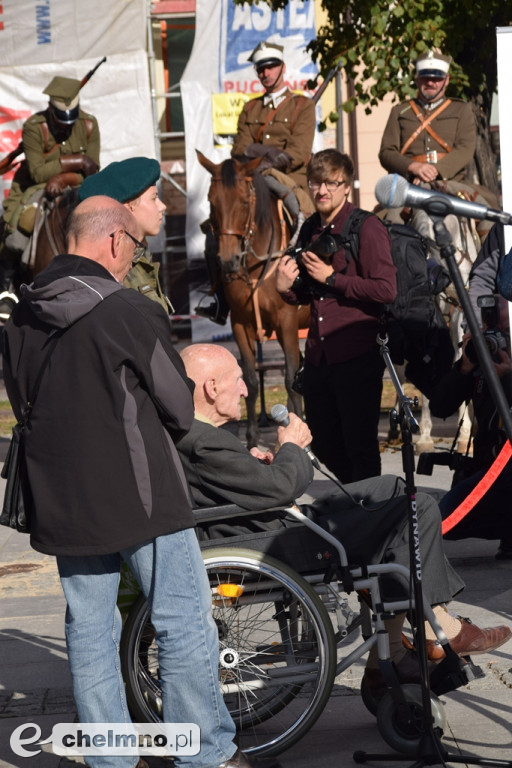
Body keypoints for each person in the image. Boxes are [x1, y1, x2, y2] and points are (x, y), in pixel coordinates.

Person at [2, 196, 253, 768]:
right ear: (115, 241)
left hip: (61, 499)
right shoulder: (127, 310)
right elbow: (179, 407)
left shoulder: (21, 315)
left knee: (89, 630)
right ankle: (206, 754)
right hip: (143, 496)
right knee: (181, 621)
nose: (133, 256)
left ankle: (112, 759)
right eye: (134, 246)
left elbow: (22, 403)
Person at [176, 343, 511, 696]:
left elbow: (246, 484)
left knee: (392, 488)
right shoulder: (203, 442)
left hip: (269, 526)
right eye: (239, 380)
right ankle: (437, 630)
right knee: (417, 507)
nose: (246, 389)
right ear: (212, 388)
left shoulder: (197, 435)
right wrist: (291, 445)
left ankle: (395, 653)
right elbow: (284, 487)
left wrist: (250, 465)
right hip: (275, 542)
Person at [276, 148, 397, 484]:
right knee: (323, 442)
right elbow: (306, 292)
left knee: (360, 446)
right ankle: (355, 500)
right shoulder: (311, 229)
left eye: (331, 183)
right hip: (319, 357)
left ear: (347, 187)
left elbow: (386, 290)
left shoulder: (367, 228)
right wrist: (286, 287)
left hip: (357, 354)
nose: (322, 190)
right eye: (315, 183)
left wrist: (333, 278)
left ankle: (369, 516)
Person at [196, 39, 316, 325]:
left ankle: (318, 290)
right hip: (251, 180)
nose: (266, 73)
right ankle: (221, 299)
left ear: (282, 68)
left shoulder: (303, 105)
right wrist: (269, 153)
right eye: (261, 68)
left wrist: (259, 154)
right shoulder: (251, 109)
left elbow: (297, 155)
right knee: (215, 229)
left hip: (289, 180)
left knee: (308, 222)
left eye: (271, 66)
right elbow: (238, 149)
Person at [0, 76, 100, 309]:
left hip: (77, 185)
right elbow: (36, 172)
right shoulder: (34, 127)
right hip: (34, 188)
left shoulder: (89, 124)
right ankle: (7, 291)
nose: (66, 125)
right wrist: (78, 160)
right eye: (61, 119)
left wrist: (64, 177)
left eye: (70, 119)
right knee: (17, 230)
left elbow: (93, 169)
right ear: (50, 109)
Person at [428, 295, 512, 559]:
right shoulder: (479, 363)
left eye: (503, 334)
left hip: (507, 470)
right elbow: (440, 408)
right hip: (490, 471)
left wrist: (507, 378)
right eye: (490, 331)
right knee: (445, 519)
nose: (494, 340)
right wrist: (465, 366)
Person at [79, 157, 172, 314]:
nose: (162, 206)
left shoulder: (138, 258)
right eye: (154, 198)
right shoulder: (113, 269)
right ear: (128, 207)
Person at [379, 51, 475, 186]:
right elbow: (386, 152)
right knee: (385, 208)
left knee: (485, 205)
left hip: (451, 183)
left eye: (437, 78)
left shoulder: (461, 109)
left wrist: (435, 171)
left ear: (446, 80)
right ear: (416, 78)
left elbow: (465, 149)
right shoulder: (399, 111)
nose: (430, 82)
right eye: (425, 77)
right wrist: (413, 167)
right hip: (408, 184)